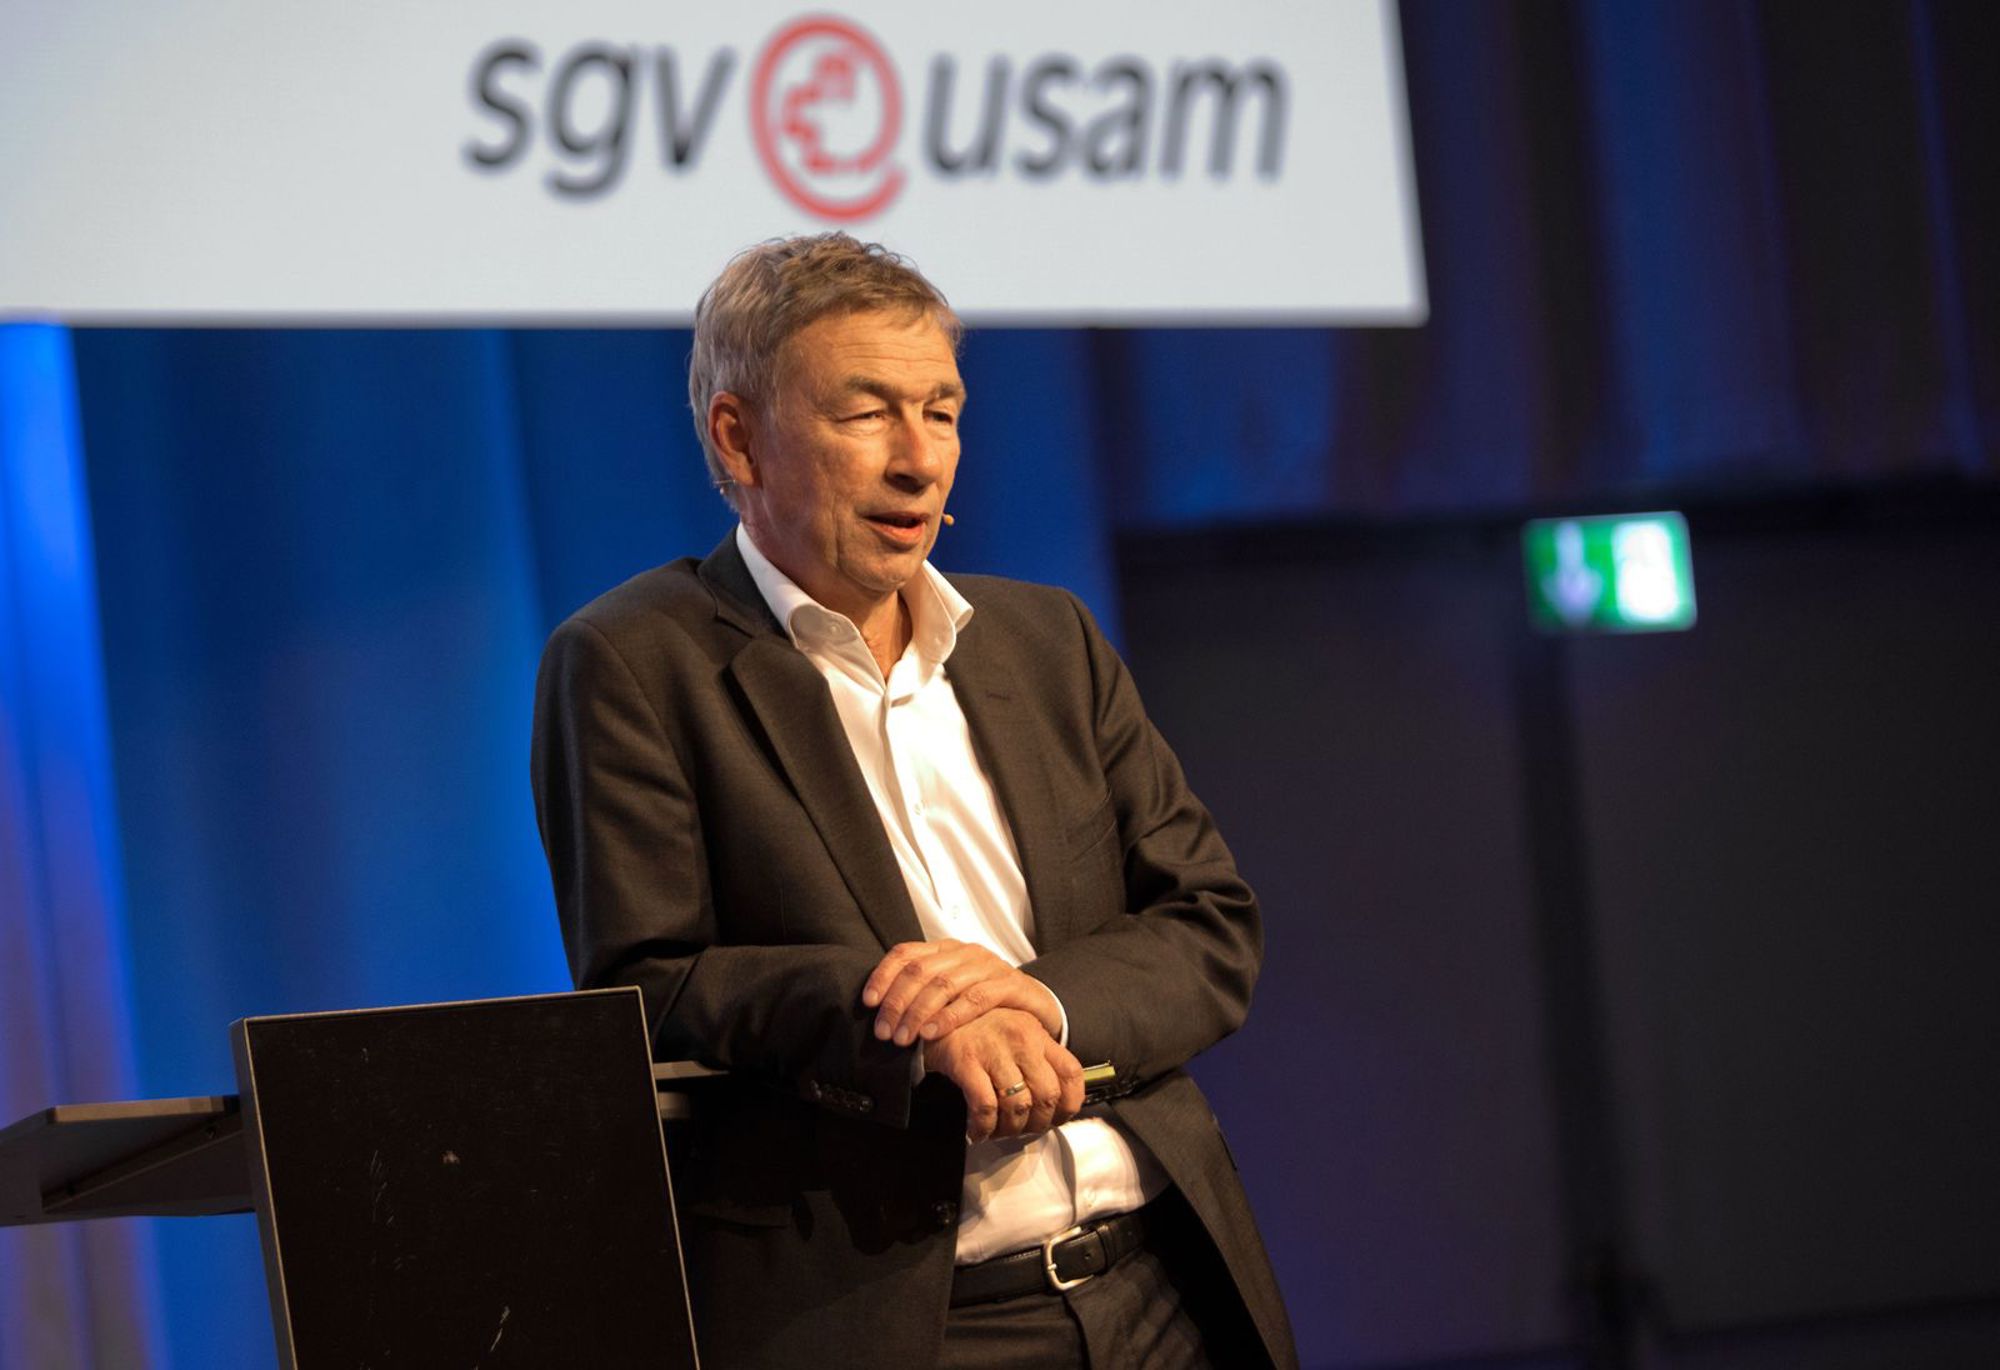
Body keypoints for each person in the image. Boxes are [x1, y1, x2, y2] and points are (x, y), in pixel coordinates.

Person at [531, 233, 1296, 1369]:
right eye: (866, 413)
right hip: (914, 1320)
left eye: (941, 412)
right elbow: (649, 980)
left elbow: (1209, 923)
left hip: (1161, 1288)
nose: (920, 460)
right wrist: (909, 1016)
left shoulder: (1047, 640)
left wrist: (1037, 1001)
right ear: (738, 437)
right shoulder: (635, 662)